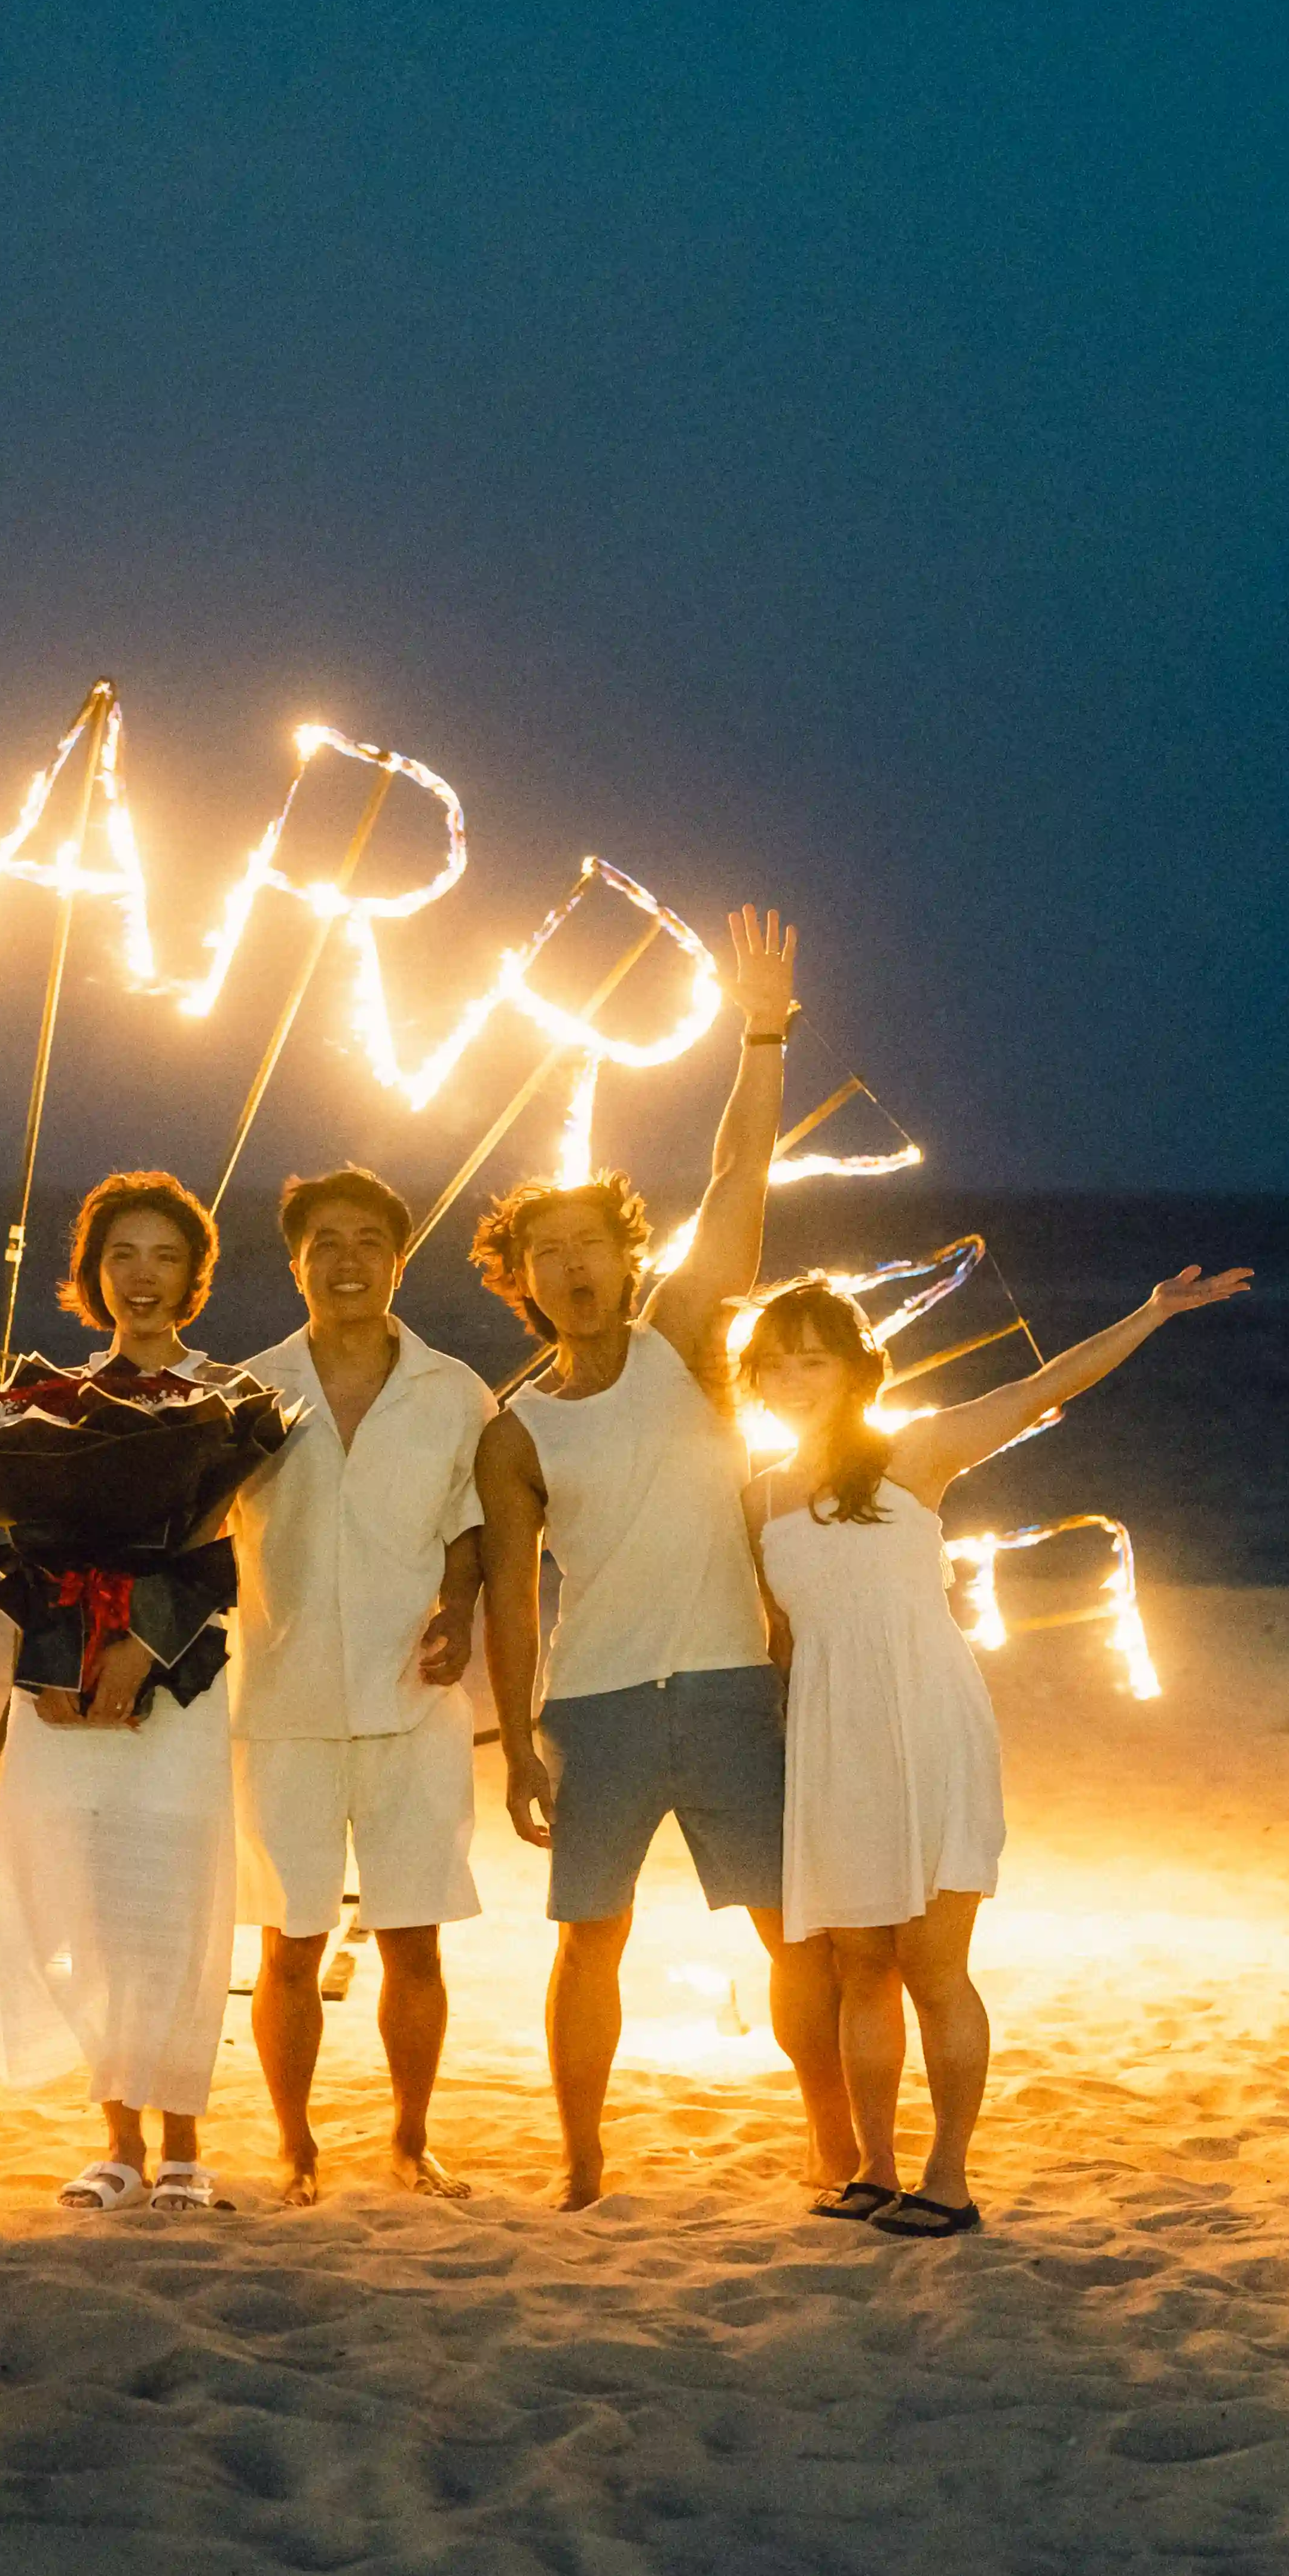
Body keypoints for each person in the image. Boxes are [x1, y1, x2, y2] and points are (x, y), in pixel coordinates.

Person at [744, 1261, 1251, 2238]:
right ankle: (875, 2169)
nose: (791, 1379)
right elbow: (778, 1636)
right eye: (773, 1365)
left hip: (926, 1718)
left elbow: (1039, 1389)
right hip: (830, 1735)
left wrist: (1148, 1312)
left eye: (812, 1360)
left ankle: (948, 2177)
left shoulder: (912, 1453)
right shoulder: (758, 1497)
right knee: (859, 1969)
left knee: (934, 1967)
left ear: (856, 1369)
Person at [471, 907, 832, 2213]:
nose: (572, 1267)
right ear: (517, 1277)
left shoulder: (685, 1342)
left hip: (733, 1683)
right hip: (601, 1705)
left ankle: (831, 2142)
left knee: (792, 1931)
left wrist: (760, 1031)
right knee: (587, 1942)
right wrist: (513, 1741)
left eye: (592, 1247)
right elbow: (511, 1597)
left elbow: (740, 1180)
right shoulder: (514, 1431)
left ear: (630, 1258)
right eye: (544, 1254)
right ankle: (579, 2167)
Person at [0, 1171, 250, 2213]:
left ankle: (185, 2142)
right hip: (62, 1686)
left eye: (163, 1257)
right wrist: (58, 1660)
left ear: (194, 1275)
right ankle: (116, 2139)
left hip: (175, 1681)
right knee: (89, 1901)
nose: (141, 1277)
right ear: (93, 1275)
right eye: (121, 1257)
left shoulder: (225, 1400)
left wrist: (137, 1647)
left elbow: (219, 1549)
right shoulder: (44, 1401)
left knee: (175, 1901)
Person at [225, 1167, 490, 2204]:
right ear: (295, 1261)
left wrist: (458, 1613)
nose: (346, 1259)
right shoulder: (250, 1391)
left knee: (413, 1937)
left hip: (411, 1698)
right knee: (288, 1940)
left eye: (368, 1240)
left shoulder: (453, 1390)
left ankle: (411, 2136)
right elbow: (199, 1530)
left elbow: (472, 1530)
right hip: (281, 1702)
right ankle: (294, 2144)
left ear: (397, 1256)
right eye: (323, 1241)